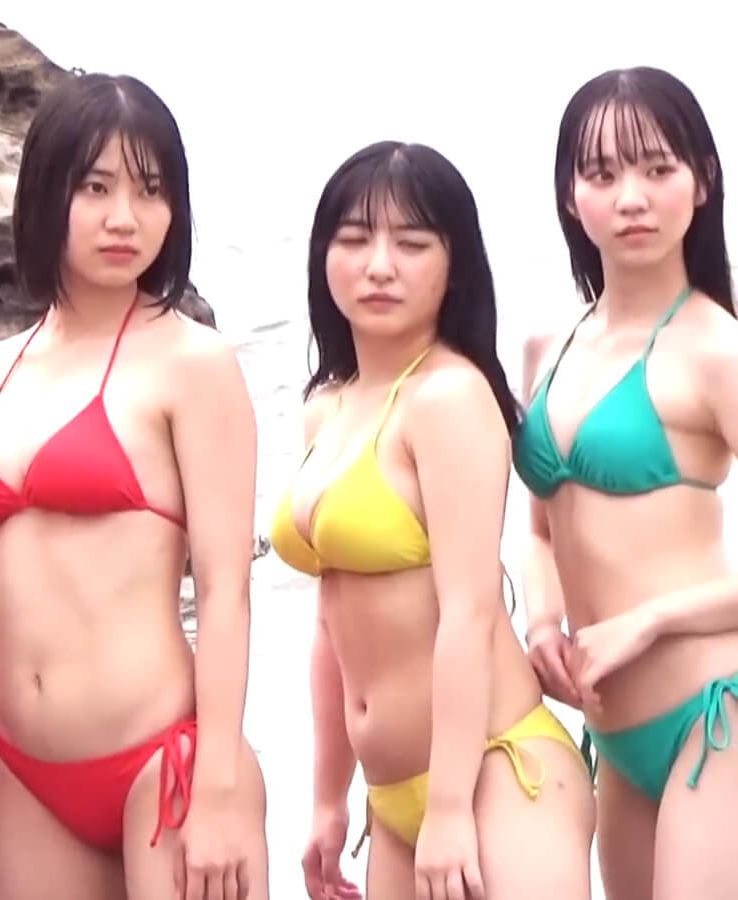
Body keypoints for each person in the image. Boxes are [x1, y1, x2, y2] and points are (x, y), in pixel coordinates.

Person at [0, 72, 269, 900]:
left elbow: (226, 592)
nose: (125, 217)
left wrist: (217, 788)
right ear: (45, 193)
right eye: (95, 188)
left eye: (150, 190)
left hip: (161, 764)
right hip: (24, 778)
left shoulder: (192, 363)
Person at [272, 140, 595, 900]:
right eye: (354, 240)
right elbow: (331, 625)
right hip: (392, 798)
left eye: (412, 244)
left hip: (496, 773)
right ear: (323, 257)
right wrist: (327, 799)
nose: (379, 266)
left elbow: (467, 611)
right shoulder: (327, 408)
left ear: (455, 267)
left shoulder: (449, 397)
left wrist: (449, 810)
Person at [516, 66, 738, 898]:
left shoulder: (717, 351)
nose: (631, 198)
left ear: (701, 181)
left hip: (710, 714)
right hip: (611, 738)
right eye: (602, 174)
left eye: (656, 168)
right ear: (569, 196)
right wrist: (543, 620)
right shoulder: (546, 349)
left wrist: (646, 623)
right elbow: (540, 528)